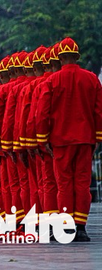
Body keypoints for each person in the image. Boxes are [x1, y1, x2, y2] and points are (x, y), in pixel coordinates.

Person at [34, 37, 102, 242]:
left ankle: (65, 227)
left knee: (63, 183)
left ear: (61, 58)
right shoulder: (91, 79)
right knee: (81, 183)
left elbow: (42, 113)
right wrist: (98, 136)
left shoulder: (51, 81)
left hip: (60, 140)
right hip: (85, 138)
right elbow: (98, 111)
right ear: (76, 57)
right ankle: (80, 227)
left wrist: (42, 138)